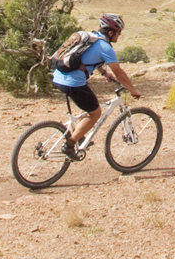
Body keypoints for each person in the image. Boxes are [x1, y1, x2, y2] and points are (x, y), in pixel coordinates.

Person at [52, 13, 140, 156]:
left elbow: (86, 58)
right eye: (118, 32)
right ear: (110, 33)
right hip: (73, 83)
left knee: (88, 105)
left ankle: (79, 134)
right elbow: (120, 73)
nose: (119, 35)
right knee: (95, 113)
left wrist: (104, 73)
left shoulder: (90, 38)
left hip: (58, 76)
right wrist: (133, 90)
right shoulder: (106, 48)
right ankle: (69, 145)